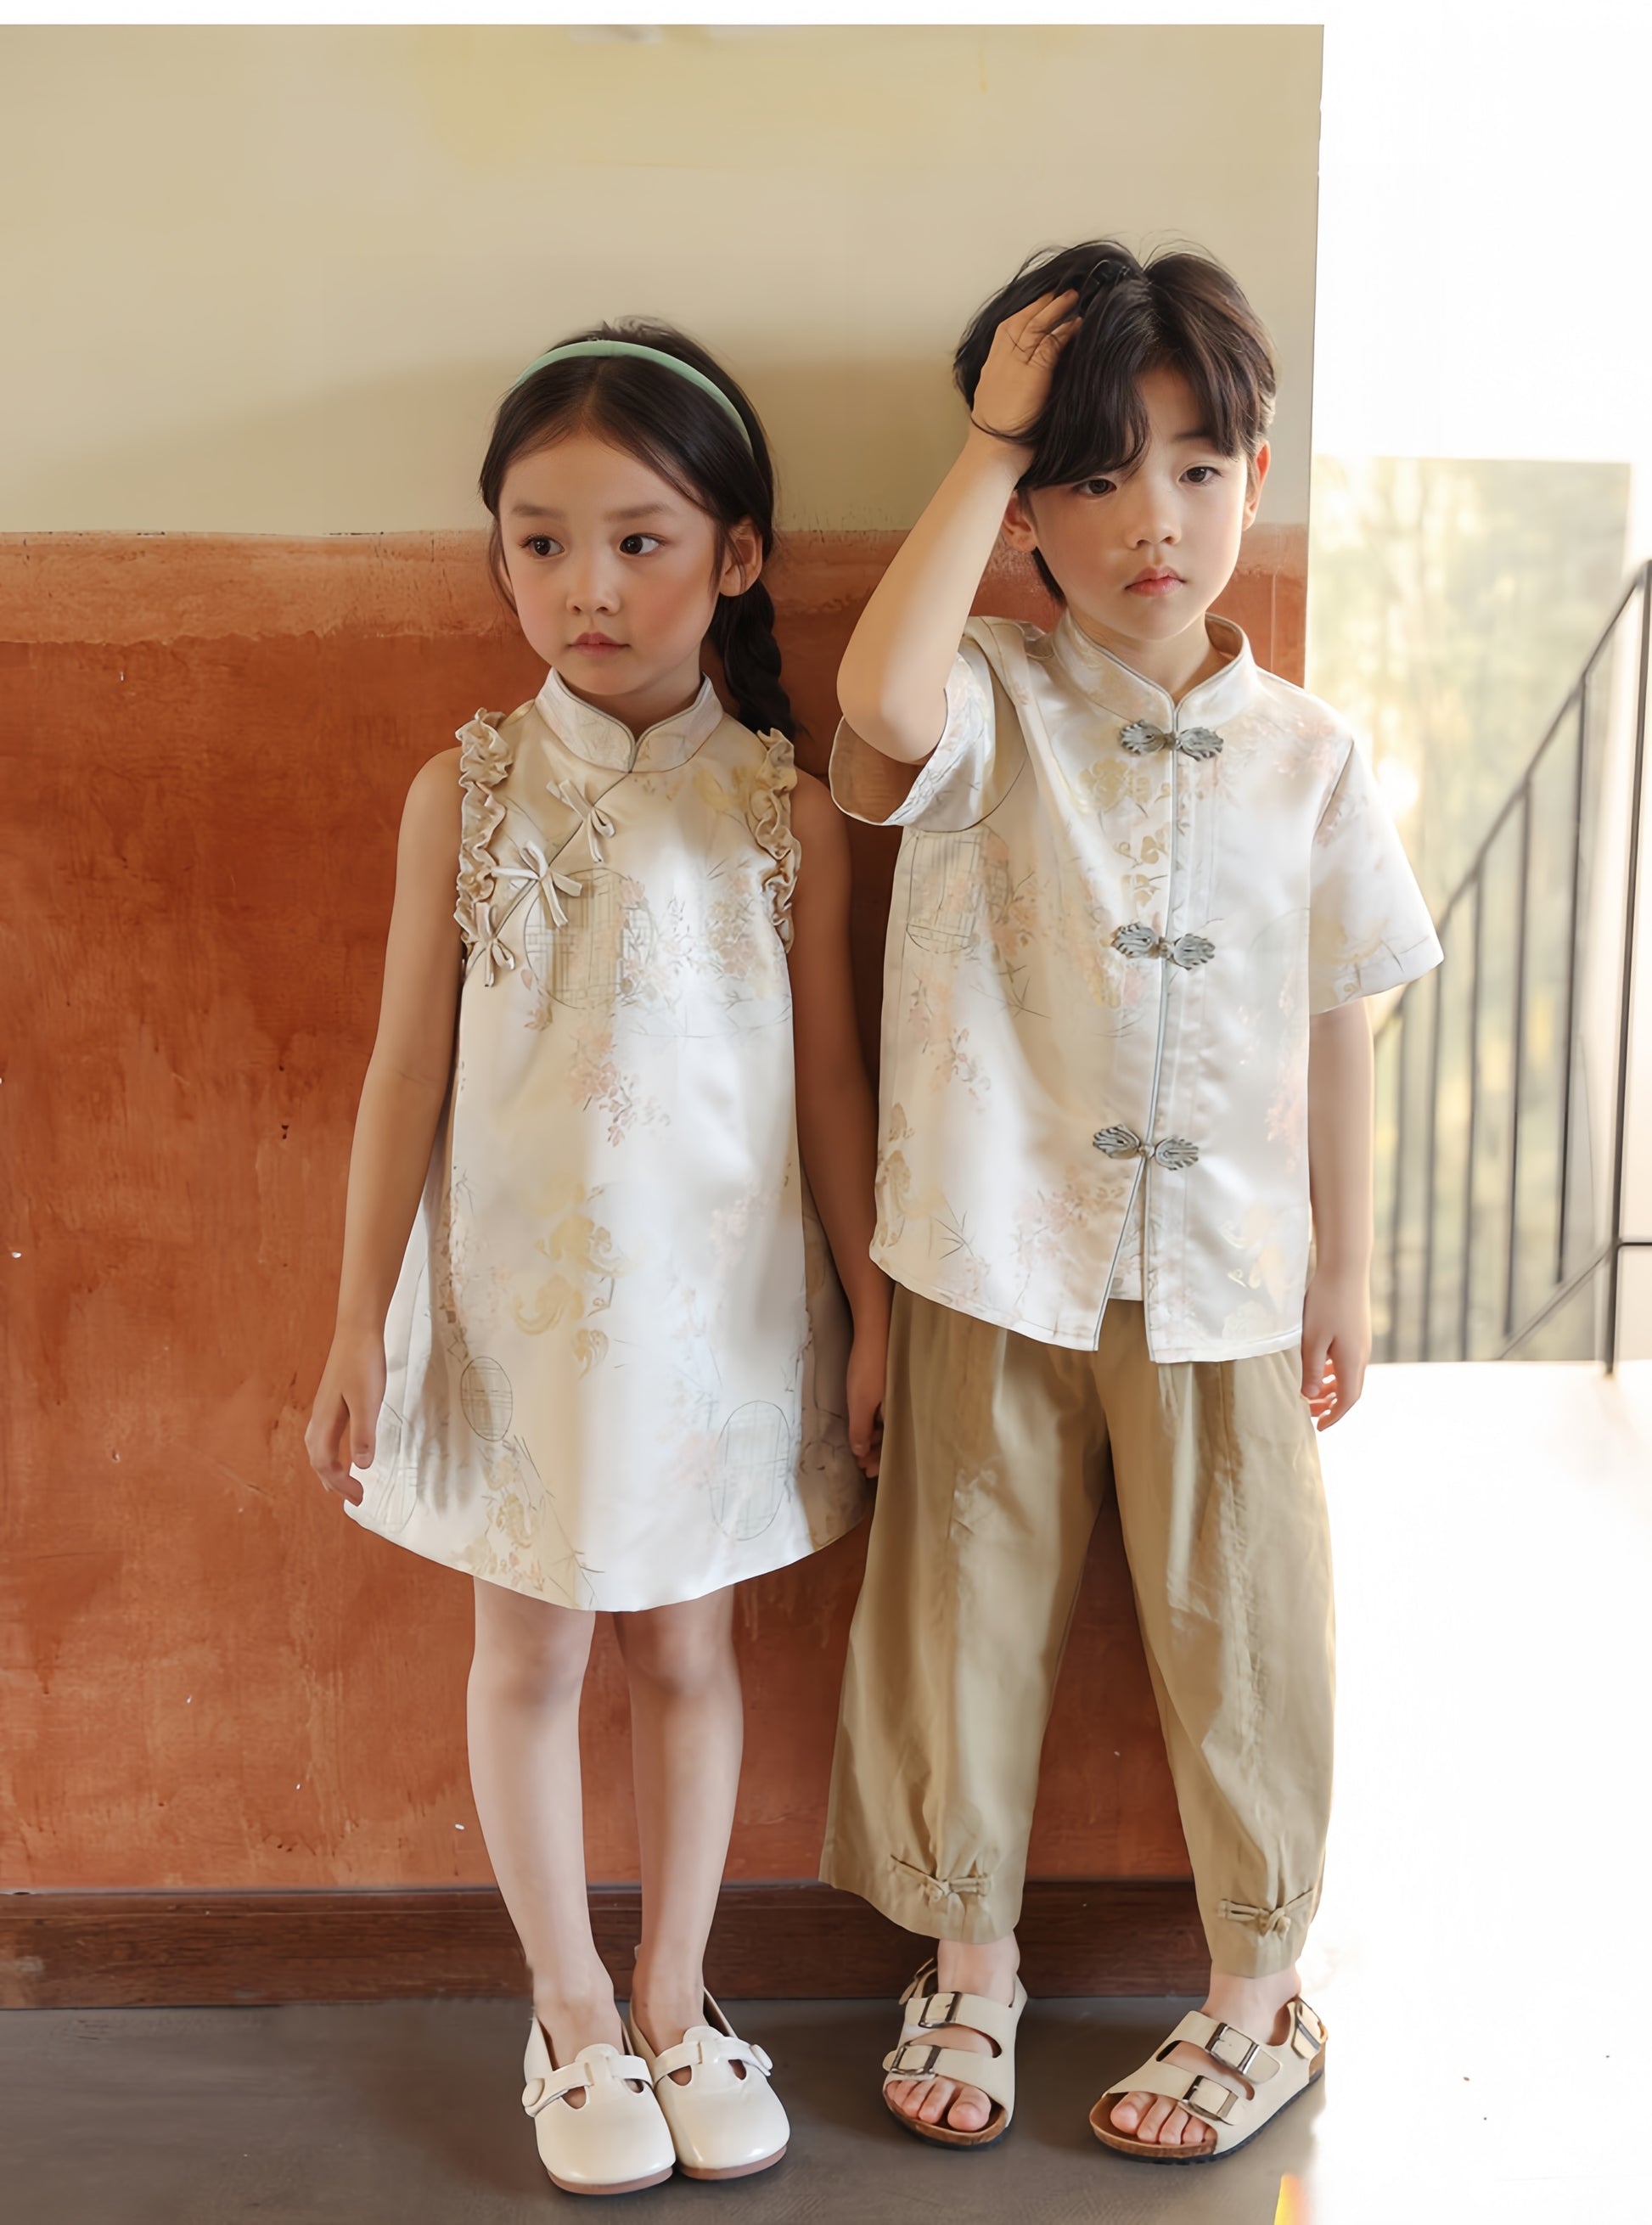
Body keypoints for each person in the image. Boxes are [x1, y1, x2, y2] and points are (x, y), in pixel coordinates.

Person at [818, 243, 1441, 2164]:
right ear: (1024, 517)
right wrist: (999, 431)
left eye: (1193, 465)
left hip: (1234, 1271)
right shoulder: (987, 693)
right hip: (989, 1251)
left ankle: (1261, 1999)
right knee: (959, 1606)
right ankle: (971, 1959)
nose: (1151, 519)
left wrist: (1346, 1263)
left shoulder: (1310, 753)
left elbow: (1340, 1017)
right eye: (1093, 475)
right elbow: (878, 702)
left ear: (1255, 475)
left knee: (1242, 1619)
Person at [305, 322, 884, 2198]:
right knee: (533, 1643)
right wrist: (354, 1324)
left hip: (719, 1319)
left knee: (689, 1645)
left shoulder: (784, 811)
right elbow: (406, 1069)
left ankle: (677, 1995)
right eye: (538, 540)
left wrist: (871, 1318)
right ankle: (565, 2015)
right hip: (514, 1306)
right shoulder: (459, 794)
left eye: (638, 538)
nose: (584, 585)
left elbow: (828, 1100)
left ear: (733, 556)